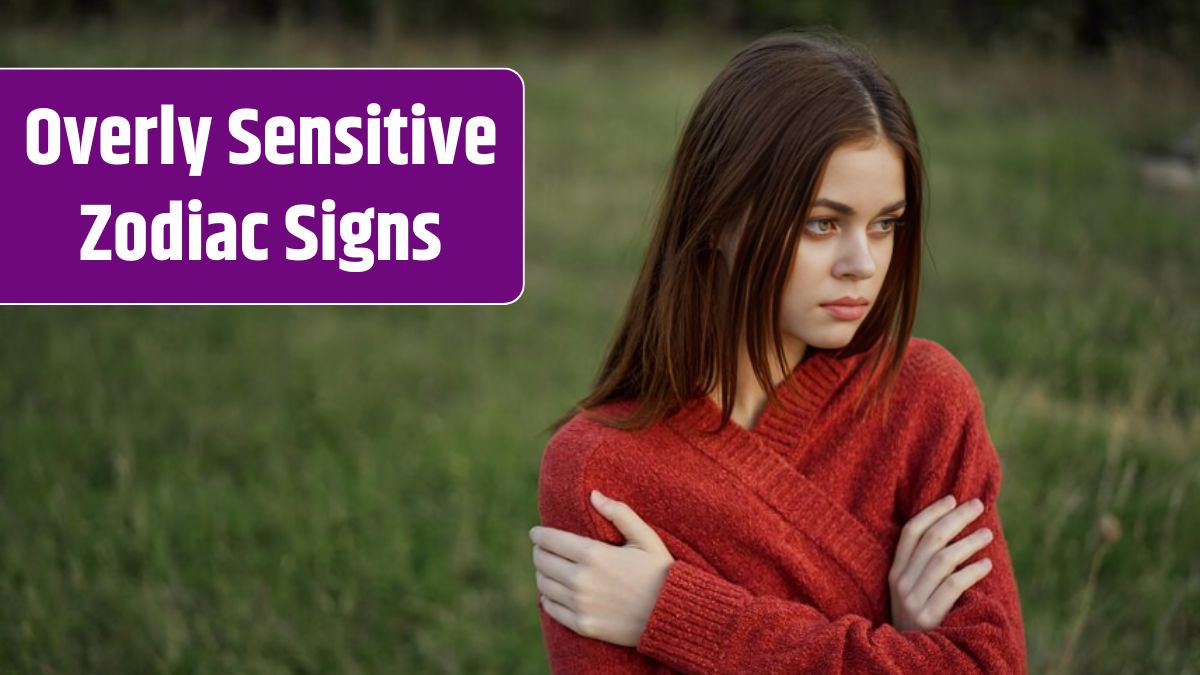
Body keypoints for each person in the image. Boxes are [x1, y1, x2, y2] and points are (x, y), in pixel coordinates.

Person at [529, 28, 1028, 674]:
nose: (864, 263)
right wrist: (899, 645)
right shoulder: (599, 472)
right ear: (718, 214)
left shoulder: (928, 399)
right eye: (824, 222)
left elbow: (987, 665)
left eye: (886, 224)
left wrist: (678, 610)